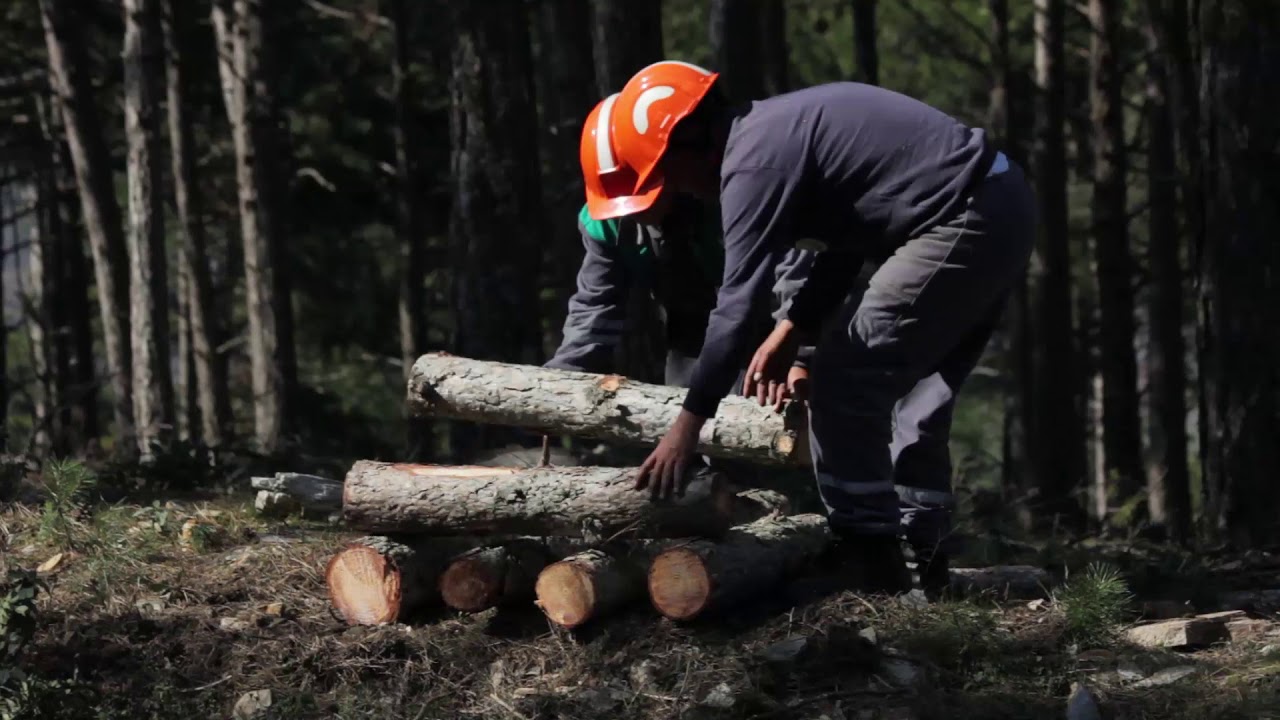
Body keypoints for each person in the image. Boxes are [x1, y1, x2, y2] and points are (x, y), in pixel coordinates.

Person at [584, 61, 1036, 598]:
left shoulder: (752, 163)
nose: (674, 193)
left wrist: (687, 426)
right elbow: (851, 239)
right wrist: (793, 328)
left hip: (963, 214)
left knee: (846, 379)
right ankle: (924, 564)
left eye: (667, 179)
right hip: (1000, 199)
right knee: (917, 395)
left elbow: (735, 305)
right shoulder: (770, 136)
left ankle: (871, 566)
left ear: (689, 141)